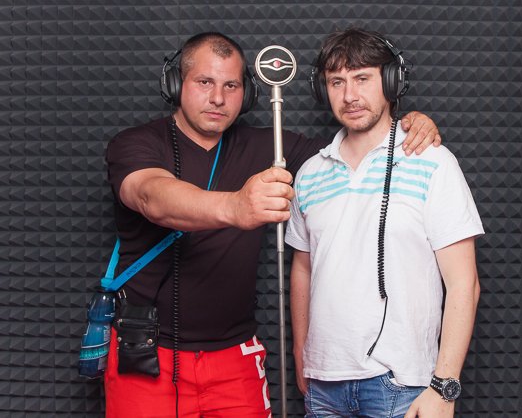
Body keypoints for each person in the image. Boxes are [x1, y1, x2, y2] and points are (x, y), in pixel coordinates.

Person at [103, 31, 442, 417]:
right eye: (204, 82)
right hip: (145, 352)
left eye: (231, 86)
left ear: (247, 93)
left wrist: (409, 123)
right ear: (176, 84)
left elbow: (354, 147)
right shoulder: (136, 143)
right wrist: (236, 206)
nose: (218, 98)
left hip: (235, 356)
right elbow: (151, 196)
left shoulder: (273, 145)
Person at [285, 27, 484, 418]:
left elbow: (465, 283)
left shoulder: (432, 163)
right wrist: (300, 351)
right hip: (323, 386)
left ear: (392, 82)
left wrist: (444, 387)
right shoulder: (309, 173)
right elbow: (303, 268)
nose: (349, 95)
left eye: (362, 79)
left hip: (401, 385)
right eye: (336, 82)